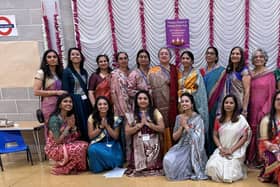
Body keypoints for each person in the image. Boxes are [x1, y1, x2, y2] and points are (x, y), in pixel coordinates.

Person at [205, 94, 251, 183]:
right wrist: (221, 148)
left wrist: (231, 150)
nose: (228, 105)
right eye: (226, 102)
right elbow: (214, 135)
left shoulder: (240, 119)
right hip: (221, 149)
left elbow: (245, 136)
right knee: (212, 167)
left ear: (235, 105)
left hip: (235, 150)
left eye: (231, 103)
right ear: (223, 105)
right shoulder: (218, 119)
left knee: (230, 173)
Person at [163, 93, 208, 180]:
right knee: (167, 159)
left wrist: (187, 127)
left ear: (192, 104)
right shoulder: (179, 117)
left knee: (180, 167)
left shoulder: (198, 118)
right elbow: (174, 137)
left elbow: (199, 139)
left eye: (186, 101)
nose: (184, 103)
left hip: (194, 149)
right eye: (182, 101)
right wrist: (181, 126)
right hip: (181, 146)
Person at [44, 94, 88, 175]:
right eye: (65, 101)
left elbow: (75, 136)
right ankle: (64, 169)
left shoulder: (69, 116)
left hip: (65, 143)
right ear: (60, 105)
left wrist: (74, 127)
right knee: (78, 148)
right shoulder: (54, 119)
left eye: (70, 102)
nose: (68, 103)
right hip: (54, 148)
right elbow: (57, 141)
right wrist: (68, 127)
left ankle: (73, 167)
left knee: (84, 145)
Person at [247, 48, 276, 167]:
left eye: (261, 57)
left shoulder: (270, 75)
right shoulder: (249, 74)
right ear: (252, 60)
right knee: (249, 132)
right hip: (249, 109)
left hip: (262, 109)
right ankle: (249, 158)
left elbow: (272, 94)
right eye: (255, 57)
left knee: (261, 132)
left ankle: (260, 160)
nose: (258, 59)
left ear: (265, 59)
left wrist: (265, 110)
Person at [125, 90, 164, 176]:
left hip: (153, 143)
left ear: (149, 100)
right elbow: (127, 131)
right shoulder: (132, 114)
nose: (142, 101)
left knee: (152, 165)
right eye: (140, 98)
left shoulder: (155, 112)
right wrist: (139, 125)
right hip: (138, 143)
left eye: (145, 98)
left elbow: (162, 128)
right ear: (136, 100)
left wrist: (148, 124)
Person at [148, 47, 178, 153]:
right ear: (158, 57)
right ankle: (163, 152)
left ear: (170, 57)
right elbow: (149, 88)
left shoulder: (175, 70)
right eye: (162, 54)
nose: (164, 55)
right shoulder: (153, 71)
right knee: (162, 126)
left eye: (166, 53)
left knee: (173, 125)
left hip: (174, 105)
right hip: (159, 104)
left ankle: (174, 150)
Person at [33, 49, 66, 138]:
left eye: (54, 57)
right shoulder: (41, 72)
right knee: (51, 127)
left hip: (61, 105)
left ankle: (62, 149)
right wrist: (56, 92)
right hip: (49, 105)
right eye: (49, 57)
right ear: (45, 60)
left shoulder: (60, 73)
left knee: (62, 126)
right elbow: (36, 92)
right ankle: (51, 149)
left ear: (58, 59)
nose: (52, 59)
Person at [87, 96, 123, 173]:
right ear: (96, 106)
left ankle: (110, 164)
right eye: (100, 104)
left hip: (112, 143)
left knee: (115, 158)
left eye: (105, 104)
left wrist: (107, 126)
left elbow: (116, 137)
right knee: (92, 150)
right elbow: (91, 136)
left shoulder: (115, 118)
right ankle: (99, 167)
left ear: (108, 106)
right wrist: (101, 127)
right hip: (98, 143)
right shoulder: (92, 118)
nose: (102, 106)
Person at [201, 47, 226, 155]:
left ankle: (216, 153)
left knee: (214, 128)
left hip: (216, 104)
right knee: (205, 128)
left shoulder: (222, 71)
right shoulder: (201, 71)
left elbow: (223, 89)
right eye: (207, 53)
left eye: (212, 54)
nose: (209, 55)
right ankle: (206, 153)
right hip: (202, 105)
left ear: (216, 57)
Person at [177, 50, 209, 138]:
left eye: (187, 58)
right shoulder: (179, 74)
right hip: (182, 104)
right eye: (183, 58)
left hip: (194, 105)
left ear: (192, 61)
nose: (185, 60)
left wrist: (186, 92)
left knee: (195, 130)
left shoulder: (196, 74)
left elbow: (199, 90)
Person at [62, 47, 90, 141]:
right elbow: (65, 91)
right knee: (79, 123)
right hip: (75, 102)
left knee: (87, 122)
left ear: (81, 57)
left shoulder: (84, 72)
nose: (75, 56)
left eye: (77, 54)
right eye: (73, 54)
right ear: (69, 58)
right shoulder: (67, 72)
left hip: (85, 101)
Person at [258, 90, 280, 185]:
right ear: (274, 102)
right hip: (269, 149)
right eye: (278, 99)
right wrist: (276, 151)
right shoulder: (266, 120)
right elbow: (264, 141)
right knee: (276, 160)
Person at [224, 46, 251, 116]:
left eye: (237, 54)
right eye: (233, 54)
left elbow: (247, 91)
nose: (234, 55)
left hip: (240, 105)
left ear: (241, 57)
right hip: (229, 104)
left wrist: (244, 110)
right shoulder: (229, 70)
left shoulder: (244, 71)